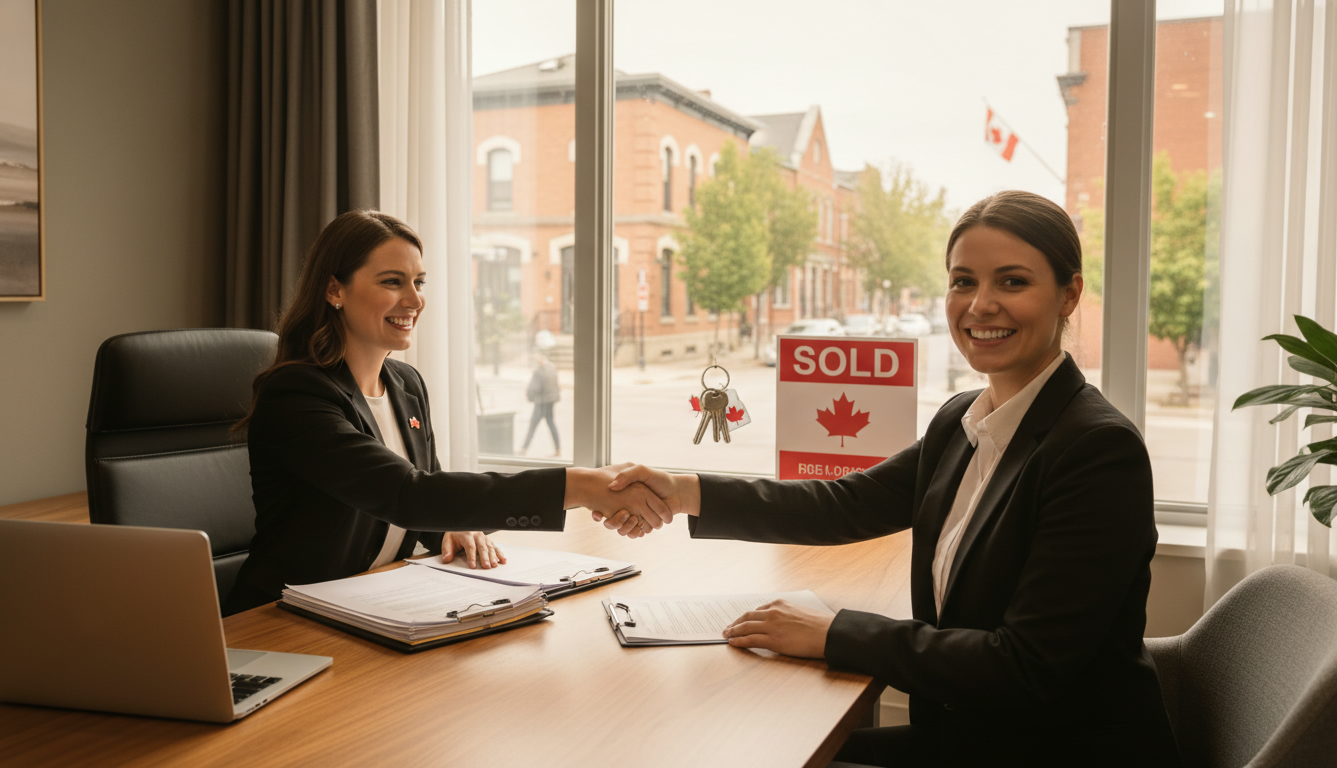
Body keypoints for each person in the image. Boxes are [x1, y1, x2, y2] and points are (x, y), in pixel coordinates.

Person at [602, 192, 1180, 767]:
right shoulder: (963, 420)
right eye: (963, 282)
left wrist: (835, 633)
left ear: (1069, 294)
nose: (980, 305)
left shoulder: (1097, 450)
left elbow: (1024, 666)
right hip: (968, 741)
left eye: (1012, 282)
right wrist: (684, 492)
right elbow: (844, 504)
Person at [226, 210, 669, 613]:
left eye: (418, 282)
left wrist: (448, 529)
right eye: (392, 282)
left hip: (373, 604)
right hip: (282, 618)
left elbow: (425, 503)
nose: (414, 300)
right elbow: (409, 495)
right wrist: (581, 486)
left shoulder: (406, 385)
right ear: (334, 289)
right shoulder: (295, 394)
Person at [520, 352, 561, 457]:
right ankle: (558, 449)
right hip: (550, 401)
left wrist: (529, 396)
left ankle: (524, 448)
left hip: (541, 402)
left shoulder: (539, 372)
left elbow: (534, 387)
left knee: (533, 425)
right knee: (551, 423)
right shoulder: (552, 368)